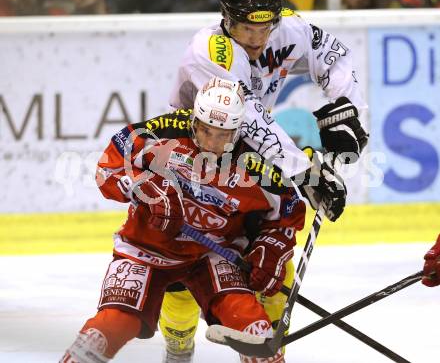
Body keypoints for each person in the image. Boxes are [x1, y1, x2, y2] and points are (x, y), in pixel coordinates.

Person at [162, 0, 368, 362]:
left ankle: (267, 350)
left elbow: (336, 58)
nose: (256, 39)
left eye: (263, 28)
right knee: (183, 272)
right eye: (245, 28)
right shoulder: (210, 50)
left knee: (270, 261)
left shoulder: (288, 26)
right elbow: (248, 118)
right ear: (226, 20)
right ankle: (178, 343)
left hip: (253, 162)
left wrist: (348, 114)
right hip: (195, 158)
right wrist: (304, 171)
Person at [60, 77, 318, 363]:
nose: (212, 143)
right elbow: (108, 169)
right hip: (146, 248)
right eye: (206, 132)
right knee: (110, 327)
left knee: (253, 329)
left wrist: (268, 251)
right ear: (193, 120)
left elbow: (287, 214)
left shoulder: (256, 163)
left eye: (224, 135)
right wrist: (148, 190)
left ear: (238, 132)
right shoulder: (161, 134)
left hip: (215, 253)